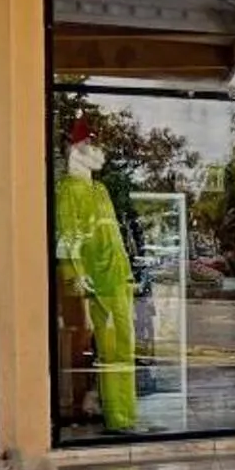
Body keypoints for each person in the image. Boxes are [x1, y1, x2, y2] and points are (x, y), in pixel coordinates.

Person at [54, 123, 137, 432]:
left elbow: (112, 236)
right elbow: (68, 242)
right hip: (95, 286)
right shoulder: (68, 192)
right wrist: (79, 292)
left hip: (117, 281)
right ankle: (118, 417)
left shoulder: (99, 190)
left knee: (123, 349)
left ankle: (125, 414)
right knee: (109, 351)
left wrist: (128, 275)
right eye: (88, 146)